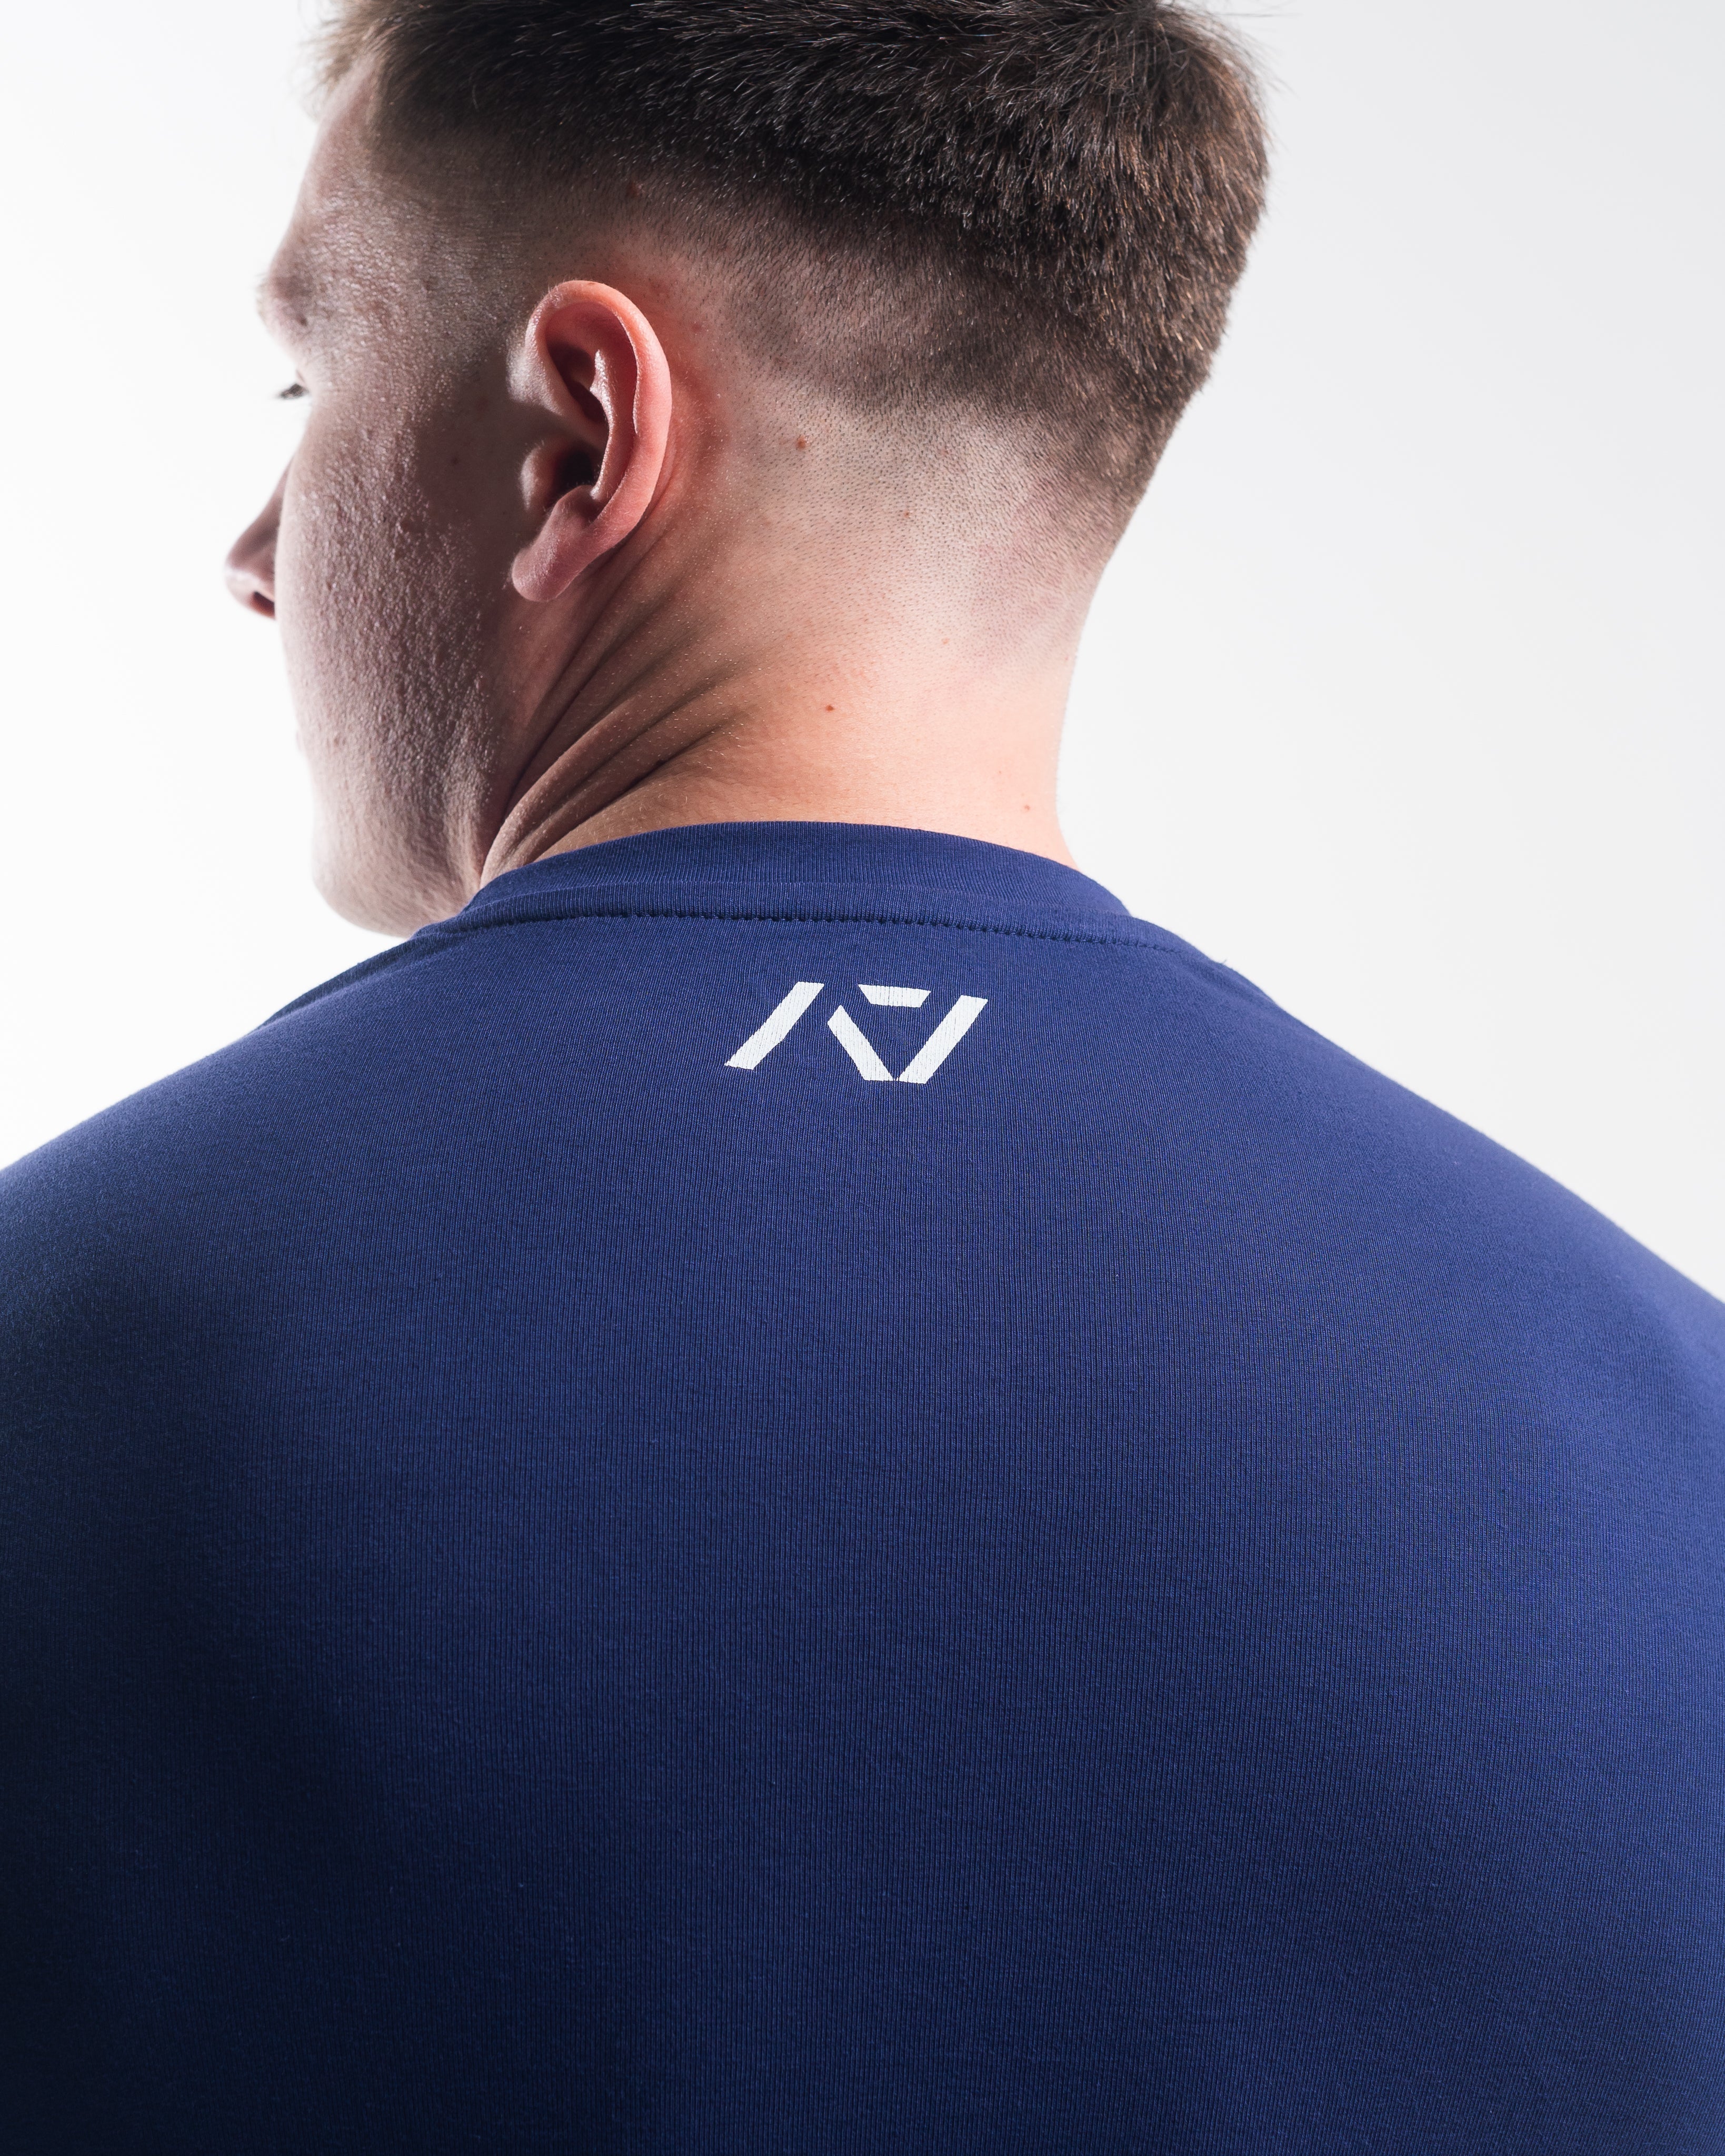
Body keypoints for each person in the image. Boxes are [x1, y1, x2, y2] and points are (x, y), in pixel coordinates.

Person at [3, 1, 1721, 2147]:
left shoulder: (54, 1342)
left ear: (581, 434)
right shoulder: (1673, 1436)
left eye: (311, 377)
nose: (256, 550)